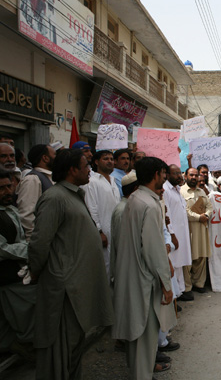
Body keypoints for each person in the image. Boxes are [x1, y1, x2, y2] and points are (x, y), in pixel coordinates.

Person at [29, 148, 113, 379]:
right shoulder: (55, 198)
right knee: (60, 348)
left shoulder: (75, 194)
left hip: (77, 287)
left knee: (75, 347)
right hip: (64, 288)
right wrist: (36, 272)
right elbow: (39, 242)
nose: (89, 170)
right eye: (86, 165)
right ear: (71, 170)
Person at [112, 157, 176, 379]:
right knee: (145, 336)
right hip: (144, 280)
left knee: (137, 334)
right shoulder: (149, 204)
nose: (165, 178)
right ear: (157, 174)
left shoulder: (135, 199)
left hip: (132, 277)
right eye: (164, 174)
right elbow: (153, 250)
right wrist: (166, 285)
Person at [0, 169, 36, 355]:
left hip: (17, 269)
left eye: (9, 186)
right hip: (5, 275)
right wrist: (29, 250)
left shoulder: (11, 210)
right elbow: (2, 248)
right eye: (2, 188)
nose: (8, 191)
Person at [85, 150, 121, 276]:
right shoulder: (92, 182)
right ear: (96, 162)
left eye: (111, 159)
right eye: (106, 159)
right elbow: (91, 207)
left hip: (116, 231)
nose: (110, 161)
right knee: (104, 268)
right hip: (103, 233)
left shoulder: (113, 180)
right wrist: (99, 231)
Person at [180, 167, 213, 295]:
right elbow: (184, 211)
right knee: (188, 259)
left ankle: (198, 283)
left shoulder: (201, 192)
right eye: (191, 175)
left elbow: (209, 206)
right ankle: (187, 287)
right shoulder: (181, 191)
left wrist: (207, 215)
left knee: (201, 257)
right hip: (188, 229)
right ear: (186, 176)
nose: (194, 177)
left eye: (196, 175)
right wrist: (199, 217)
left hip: (201, 228)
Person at [163, 165, 192, 298]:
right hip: (173, 235)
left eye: (179, 173)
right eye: (175, 173)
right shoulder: (165, 190)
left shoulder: (177, 189)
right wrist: (172, 235)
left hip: (182, 233)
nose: (179, 176)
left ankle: (180, 291)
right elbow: (166, 215)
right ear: (167, 175)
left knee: (180, 263)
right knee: (174, 264)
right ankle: (174, 295)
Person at [16, 144, 55, 240]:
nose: (57, 158)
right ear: (45, 158)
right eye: (54, 154)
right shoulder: (32, 179)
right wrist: (34, 240)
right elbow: (26, 214)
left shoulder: (49, 178)